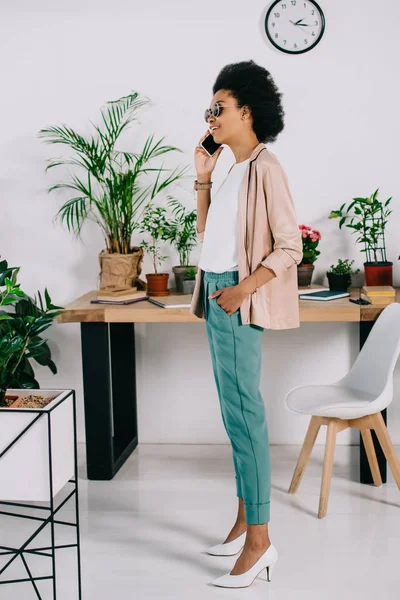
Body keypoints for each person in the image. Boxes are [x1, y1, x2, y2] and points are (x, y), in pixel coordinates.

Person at [190, 60, 303, 588]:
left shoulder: (266, 167)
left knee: (245, 414)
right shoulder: (234, 169)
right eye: (209, 108)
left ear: (247, 112)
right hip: (216, 294)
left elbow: (289, 247)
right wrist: (203, 180)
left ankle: (260, 542)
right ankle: (243, 522)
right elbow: (209, 236)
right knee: (232, 414)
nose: (210, 116)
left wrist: (241, 290)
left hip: (235, 297)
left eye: (220, 107)